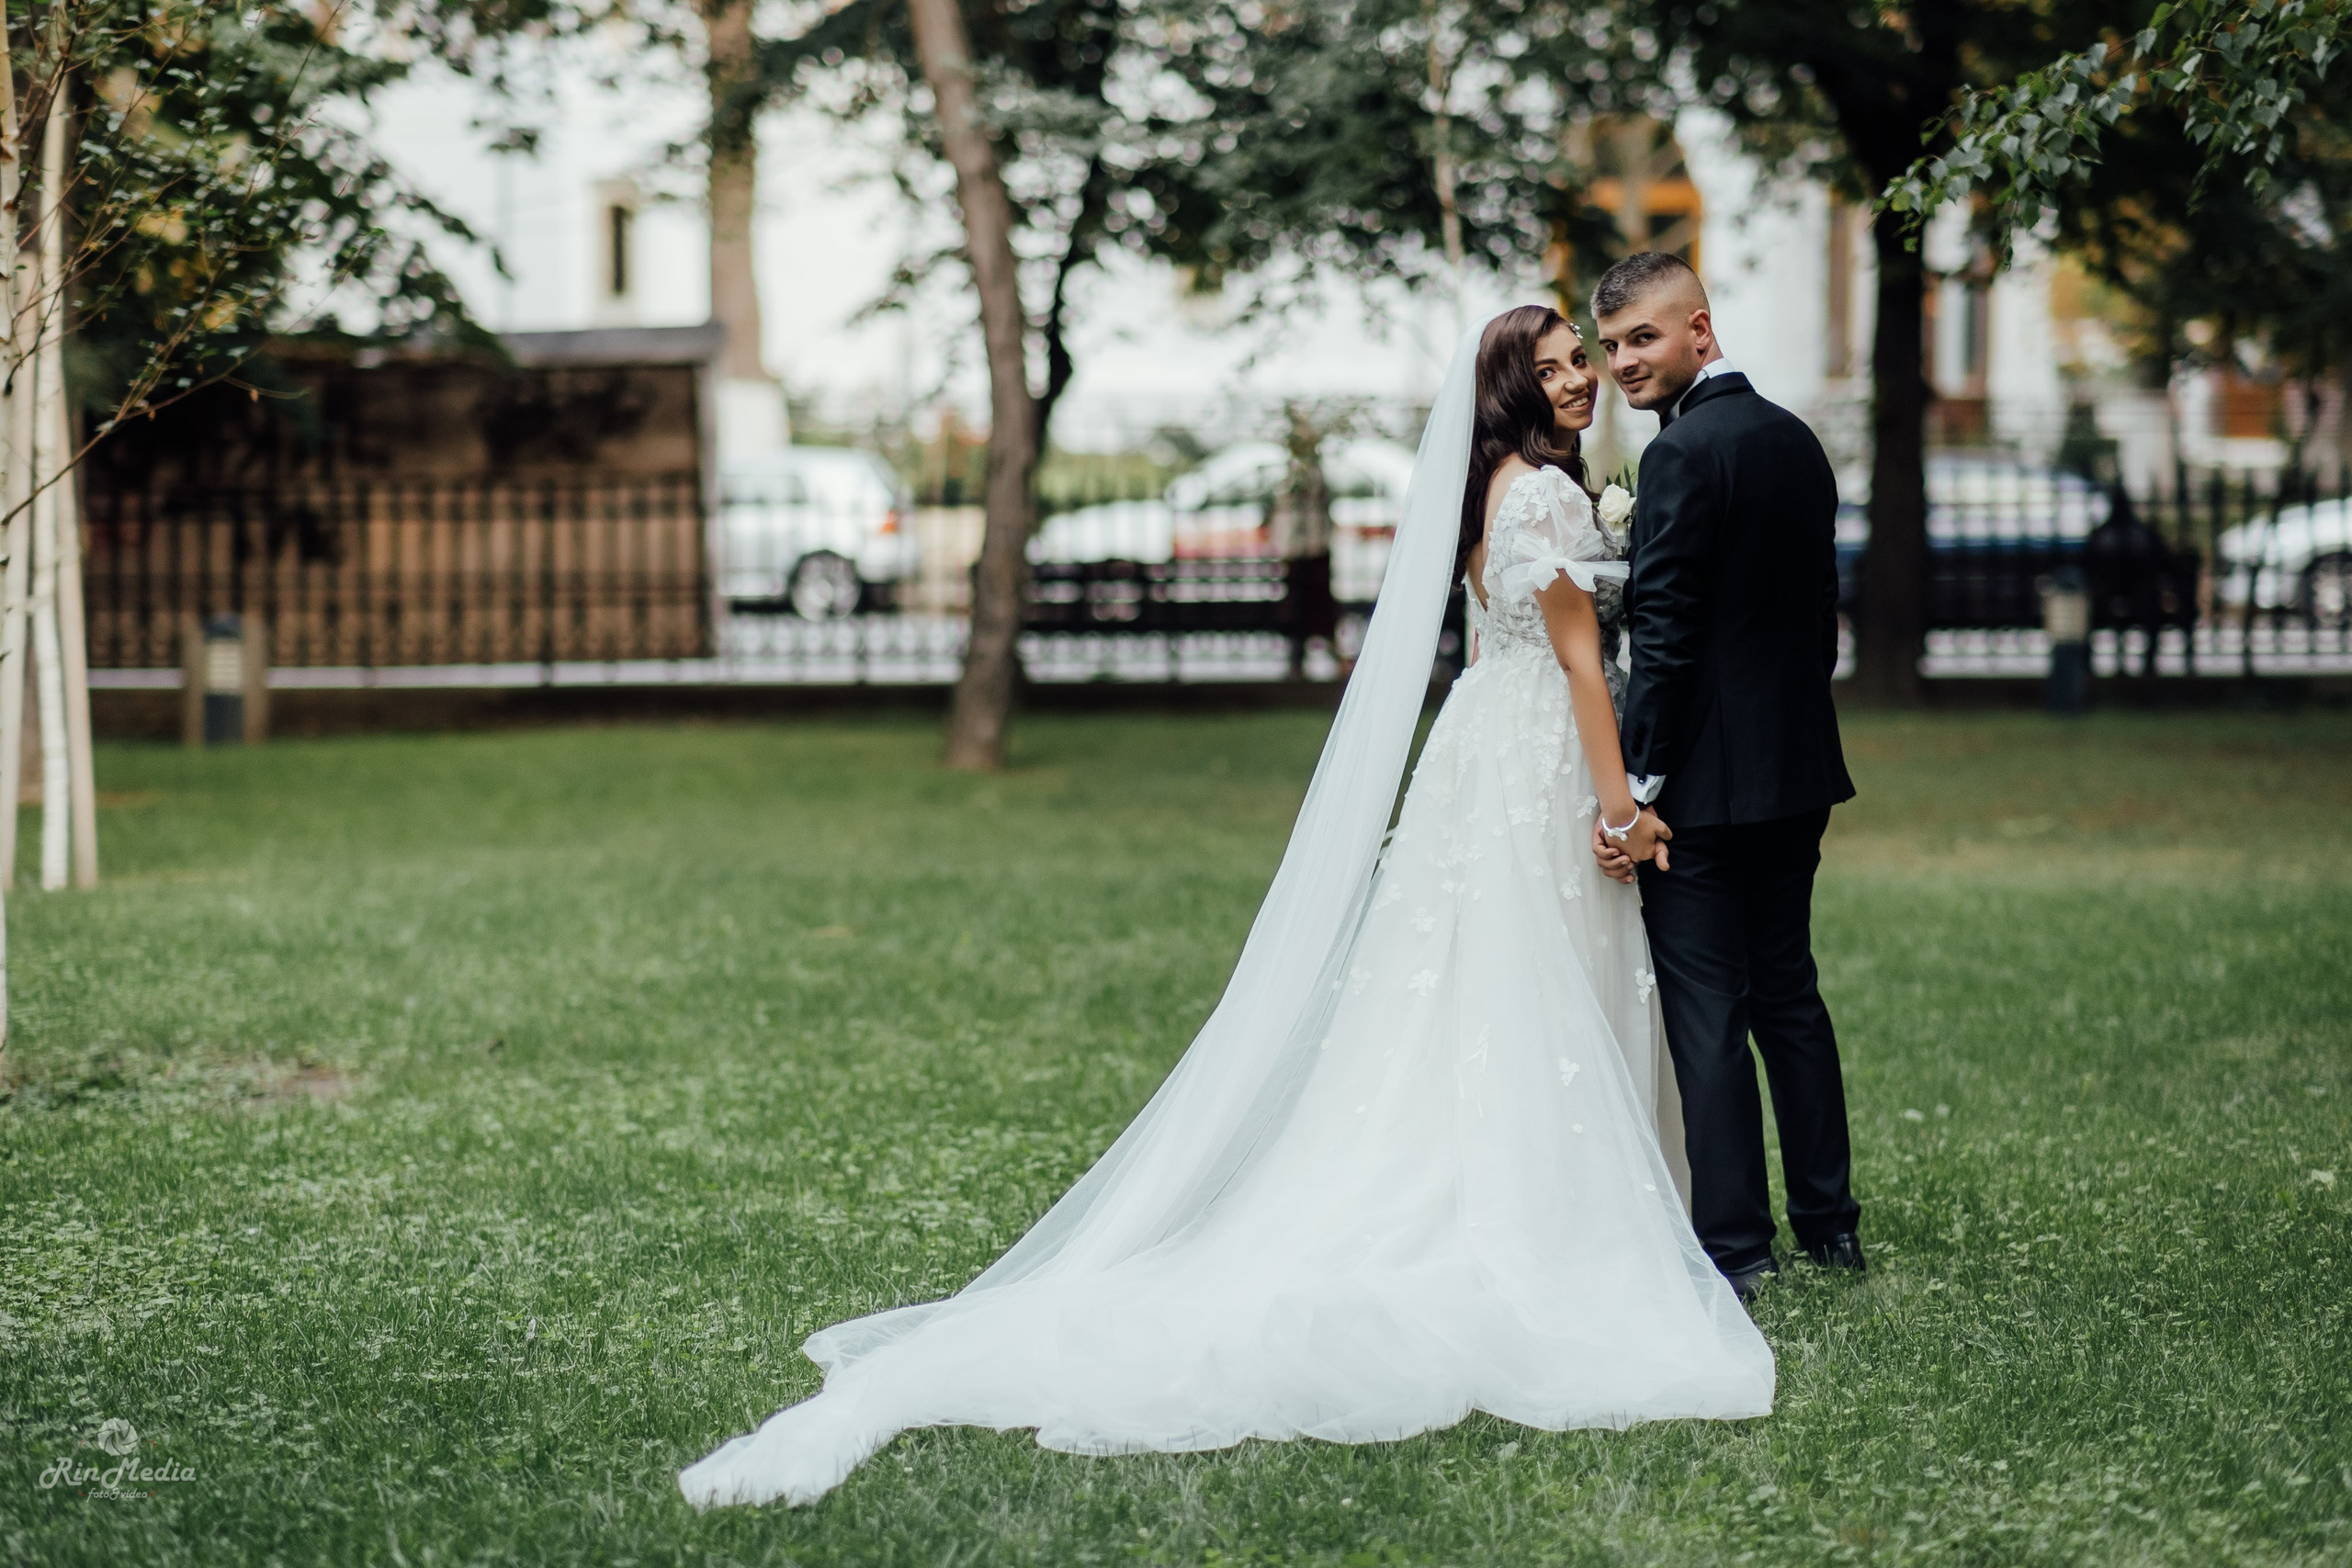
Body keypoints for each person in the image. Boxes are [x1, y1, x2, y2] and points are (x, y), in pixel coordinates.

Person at [679, 306, 1773, 1511]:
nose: (1578, 381)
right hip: (1537, 756)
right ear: (1512, 390)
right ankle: (1555, 1212)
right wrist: (1620, 809)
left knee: (1479, 981)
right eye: (1556, 366)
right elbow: (1577, 664)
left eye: (1582, 362)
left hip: (1475, 755)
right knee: (1541, 968)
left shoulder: (1486, 496)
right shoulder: (1553, 500)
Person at [1588, 253, 1865, 1302]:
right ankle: (1830, 1228)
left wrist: (1641, 785)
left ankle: (1736, 1249)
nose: (1621, 361)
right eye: (1610, 345)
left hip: (1700, 786)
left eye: (1640, 338)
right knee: (1787, 993)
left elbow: (1665, 635)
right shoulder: (1795, 440)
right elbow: (1814, 612)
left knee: (1709, 1009)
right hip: (1797, 773)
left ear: (1699, 331)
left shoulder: (1681, 456)